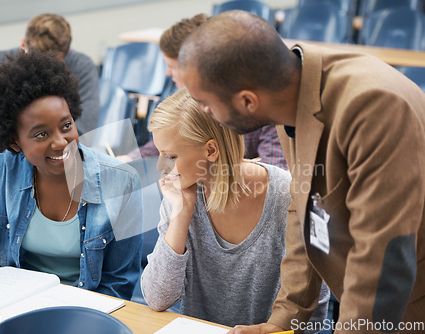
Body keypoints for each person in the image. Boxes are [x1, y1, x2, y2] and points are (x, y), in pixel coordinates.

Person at [178, 10, 425, 334]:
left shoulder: (373, 107)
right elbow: (306, 212)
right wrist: (283, 321)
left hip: (405, 302)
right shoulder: (290, 92)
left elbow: (383, 256)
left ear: (248, 100)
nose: (204, 112)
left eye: (205, 102)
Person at [0, 50, 142, 300]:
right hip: (17, 301)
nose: (61, 142)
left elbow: (119, 283)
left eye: (66, 126)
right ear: (14, 141)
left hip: (86, 308)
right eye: (41, 134)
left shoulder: (122, 182)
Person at [140, 88, 329, 330]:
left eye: (170, 156)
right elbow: (158, 298)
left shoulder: (288, 196)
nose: (160, 166)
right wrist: (180, 216)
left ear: (210, 151)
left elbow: (313, 313)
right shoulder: (180, 196)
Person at [117, 13, 287, 170]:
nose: (168, 74)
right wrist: (132, 158)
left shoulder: (261, 107)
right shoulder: (186, 104)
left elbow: (274, 175)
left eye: (172, 66)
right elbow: (167, 141)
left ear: (196, 68)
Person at [0, 13, 100, 151]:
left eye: (52, 64)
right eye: (34, 61)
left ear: (66, 54)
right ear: (22, 45)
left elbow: (81, 135)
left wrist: (19, 145)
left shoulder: (82, 67)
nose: (41, 72)